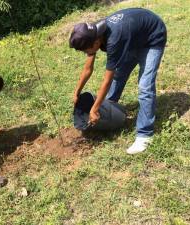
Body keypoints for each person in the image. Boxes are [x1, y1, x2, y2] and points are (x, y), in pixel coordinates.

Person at [69, 8, 167, 154]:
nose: (85, 53)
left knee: (145, 86)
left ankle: (144, 135)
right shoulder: (94, 33)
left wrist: (94, 109)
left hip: (152, 37)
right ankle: (110, 109)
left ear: (95, 42)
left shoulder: (114, 40)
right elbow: (88, 69)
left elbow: (106, 81)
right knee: (119, 75)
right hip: (133, 38)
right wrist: (77, 92)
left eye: (85, 50)